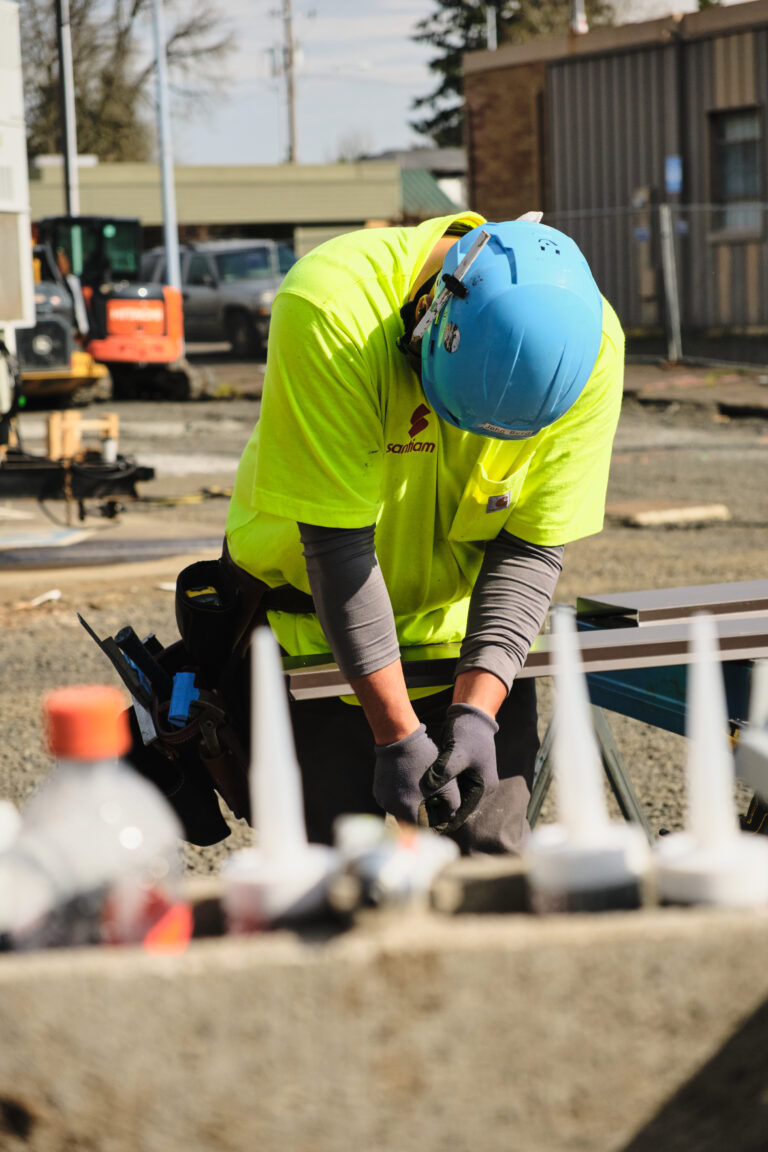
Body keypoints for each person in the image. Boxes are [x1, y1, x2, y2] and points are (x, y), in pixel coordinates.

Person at [224, 211, 624, 855]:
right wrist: (397, 736)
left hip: (463, 640)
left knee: (493, 871)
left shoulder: (592, 348)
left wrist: (476, 713)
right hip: (310, 640)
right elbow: (336, 546)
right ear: (429, 315)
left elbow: (527, 548)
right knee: (323, 884)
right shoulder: (330, 309)